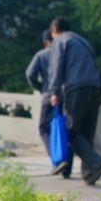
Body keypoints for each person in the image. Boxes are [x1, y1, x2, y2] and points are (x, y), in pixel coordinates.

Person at [47, 17, 101, 186]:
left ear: (55, 30)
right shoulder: (83, 41)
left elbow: (57, 66)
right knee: (86, 132)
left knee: (71, 131)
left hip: (76, 88)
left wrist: (54, 91)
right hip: (94, 87)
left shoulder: (60, 41)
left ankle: (96, 163)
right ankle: (89, 173)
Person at [26, 29, 63, 174]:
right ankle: (66, 163)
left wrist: (40, 87)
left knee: (44, 128)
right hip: (66, 94)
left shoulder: (42, 55)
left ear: (45, 42)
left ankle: (57, 160)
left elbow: (30, 74)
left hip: (49, 94)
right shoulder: (64, 52)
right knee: (64, 128)